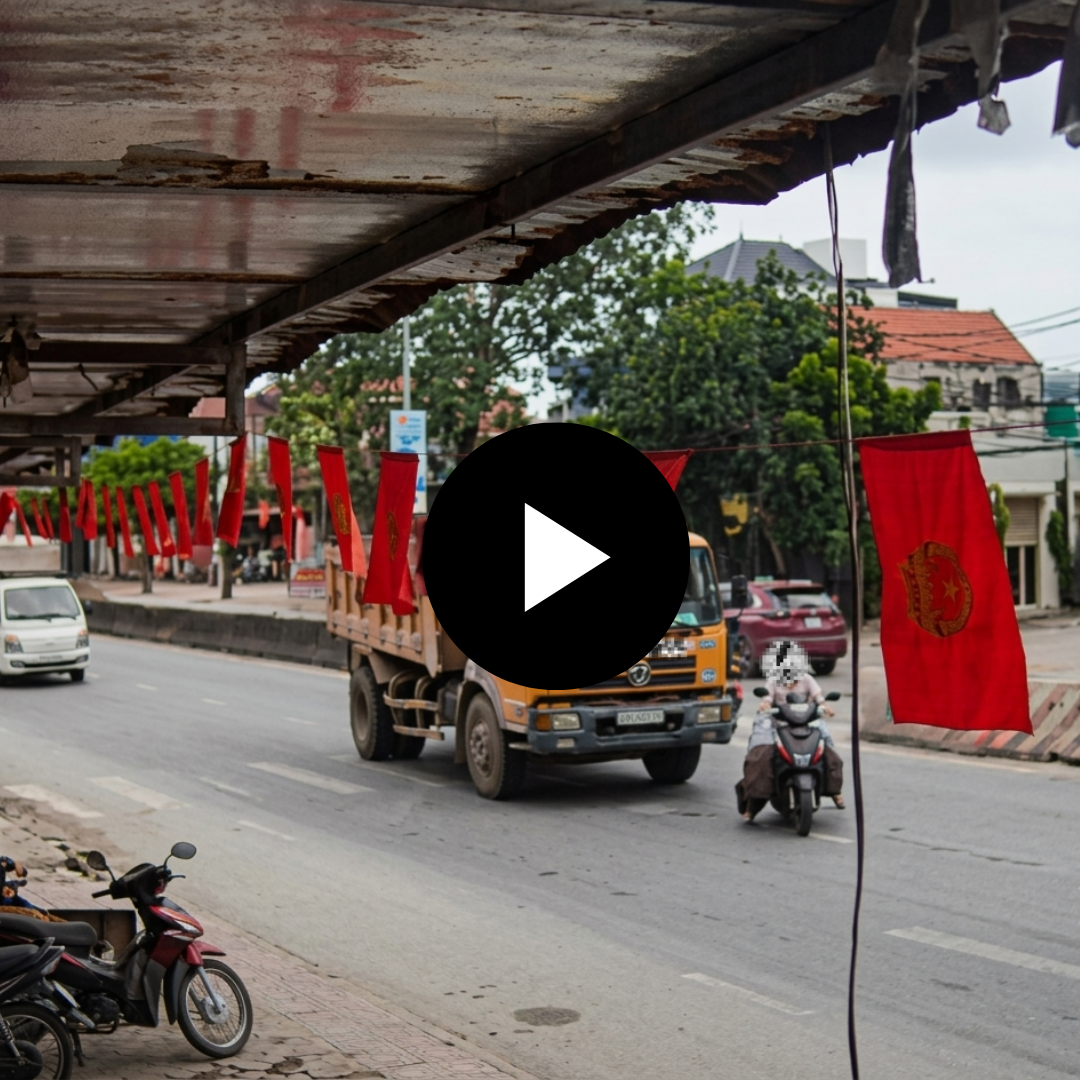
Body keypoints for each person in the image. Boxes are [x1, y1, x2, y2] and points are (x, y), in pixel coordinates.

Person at [735, 640, 844, 821]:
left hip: (806, 722)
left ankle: (834, 791)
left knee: (828, 747)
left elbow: (819, 698)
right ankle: (753, 805)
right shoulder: (773, 680)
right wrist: (765, 704)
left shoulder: (807, 679)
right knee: (761, 756)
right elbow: (767, 698)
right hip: (777, 722)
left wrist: (824, 706)